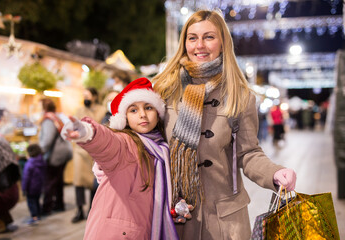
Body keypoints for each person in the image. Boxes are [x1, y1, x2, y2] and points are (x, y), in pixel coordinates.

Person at [149, 9, 297, 240]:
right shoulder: (163, 89)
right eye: (192, 37)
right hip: (175, 215)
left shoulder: (240, 96)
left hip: (224, 220)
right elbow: (142, 140)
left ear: (222, 43)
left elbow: (248, 153)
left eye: (209, 37)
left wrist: (275, 173)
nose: (200, 45)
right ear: (184, 42)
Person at [62, 78, 178, 240]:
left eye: (148, 107)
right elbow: (108, 143)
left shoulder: (162, 149)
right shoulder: (126, 142)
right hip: (117, 233)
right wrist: (88, 133)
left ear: (158, 114)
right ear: (125, 118)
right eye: (133, 110)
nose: (143, 114)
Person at [71, 87, 106, 223]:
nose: (85, 98)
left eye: (88, 95)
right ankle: (79, 209)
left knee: (94, 181)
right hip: (80, 150)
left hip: (95, 151)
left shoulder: (101, 110)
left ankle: (92, 209)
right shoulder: (79, 110)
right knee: (78, 180)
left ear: (95, 97)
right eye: (84, 95)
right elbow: (74, 125)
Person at [39, 98, 72, 215]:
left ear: (44, 107)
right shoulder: (57, 116)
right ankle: (59, 204)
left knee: (50, 181)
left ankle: (46, 207)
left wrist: (40, 151)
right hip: (64, 152)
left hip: (56, 155)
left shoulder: (48, 120)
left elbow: (47, 140)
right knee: (58, 180)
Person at [22, 144, 46, 225]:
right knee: (37, 201)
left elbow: (26, 177)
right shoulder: (42, 161)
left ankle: (34, 217)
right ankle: (39, 214)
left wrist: (24, 188)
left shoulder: (29, 163)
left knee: (31, 202)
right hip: (39, 186)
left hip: (31, 188)